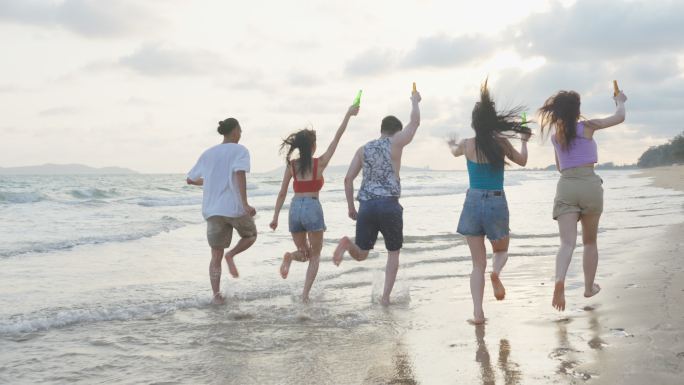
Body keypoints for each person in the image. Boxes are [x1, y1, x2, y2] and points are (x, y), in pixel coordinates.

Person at [448, 81, 531, 324]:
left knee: (476, 265)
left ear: (474, 123)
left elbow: (454, 152)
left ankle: (478, 314)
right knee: (502, 250)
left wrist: (452, 144)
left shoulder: (467, 144)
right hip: (496, 199)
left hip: (472, 201)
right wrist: (524, 140)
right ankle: (496, 273)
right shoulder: (502, 143)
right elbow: (523, 161)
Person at [538, 89, 627, 311]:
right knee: (590, 242)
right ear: (577, 110)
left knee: (567, 243)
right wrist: (620, 101)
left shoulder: (556, 136)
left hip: (567, 185)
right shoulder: (588, 127)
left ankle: (560, 280)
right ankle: (588, 287)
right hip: (589, 184)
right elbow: (619, 117)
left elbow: (560, 167)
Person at [332, 88, 421, 306]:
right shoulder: (396, 142)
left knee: (361, 253)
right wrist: (415, 101)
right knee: (393, 252)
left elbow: (347, 180)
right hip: (389, 204)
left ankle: (346, 243)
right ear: (396, 131)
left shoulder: (363, 149)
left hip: (367, 207)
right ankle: (385, 298)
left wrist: (351, 207)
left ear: (381, 130)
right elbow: (415, 123)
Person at [269, 104, 360, 302]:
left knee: (304, 253)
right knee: (315, 256)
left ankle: (290, 257)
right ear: (312, 147)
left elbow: (282, 192)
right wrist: (348, 115)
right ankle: (304, 296)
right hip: (312, 206)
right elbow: (337, 137)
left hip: (294, 209)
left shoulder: (291, 166)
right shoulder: (320, 163)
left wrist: (275, 216)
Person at [187, 117, 257, 305]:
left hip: (212, 210)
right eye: (240, 130)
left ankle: (216, 296)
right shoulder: (240, 150)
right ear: (234, 131)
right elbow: (239, 174)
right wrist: (245, 203)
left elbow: (190, 179)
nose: (241, 134)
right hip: (234, 208)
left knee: (215, 254)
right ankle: (232, 255)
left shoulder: (208, 153)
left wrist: (211, 181)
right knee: (250, 235)